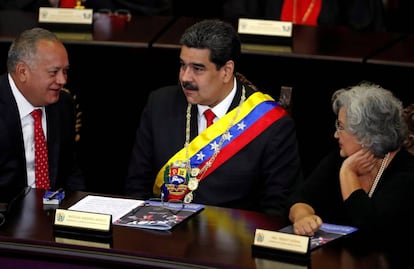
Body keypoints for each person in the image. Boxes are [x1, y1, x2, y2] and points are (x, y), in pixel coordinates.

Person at [125, 19, 302, 217]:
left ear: (226, 71)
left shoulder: (271, 125)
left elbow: (275, 209)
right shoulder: (159, 104)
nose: (185, 77)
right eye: (183, 65)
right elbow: (136, 186)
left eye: (197, 69)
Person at [287, 81, 414, 245]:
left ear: (366, 136)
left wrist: (348, 173)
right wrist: (302, 216)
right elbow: (300, 197)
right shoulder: (338, 158)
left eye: (341, 127)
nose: (335, 134)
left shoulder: (406, 175)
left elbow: (369, 231)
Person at [0, 27, 85, 198]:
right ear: (23, 72)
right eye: (54, 72)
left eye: (65, 71)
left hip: (52, 213)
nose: (62, 81)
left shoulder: (63, 104)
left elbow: (70, 170)